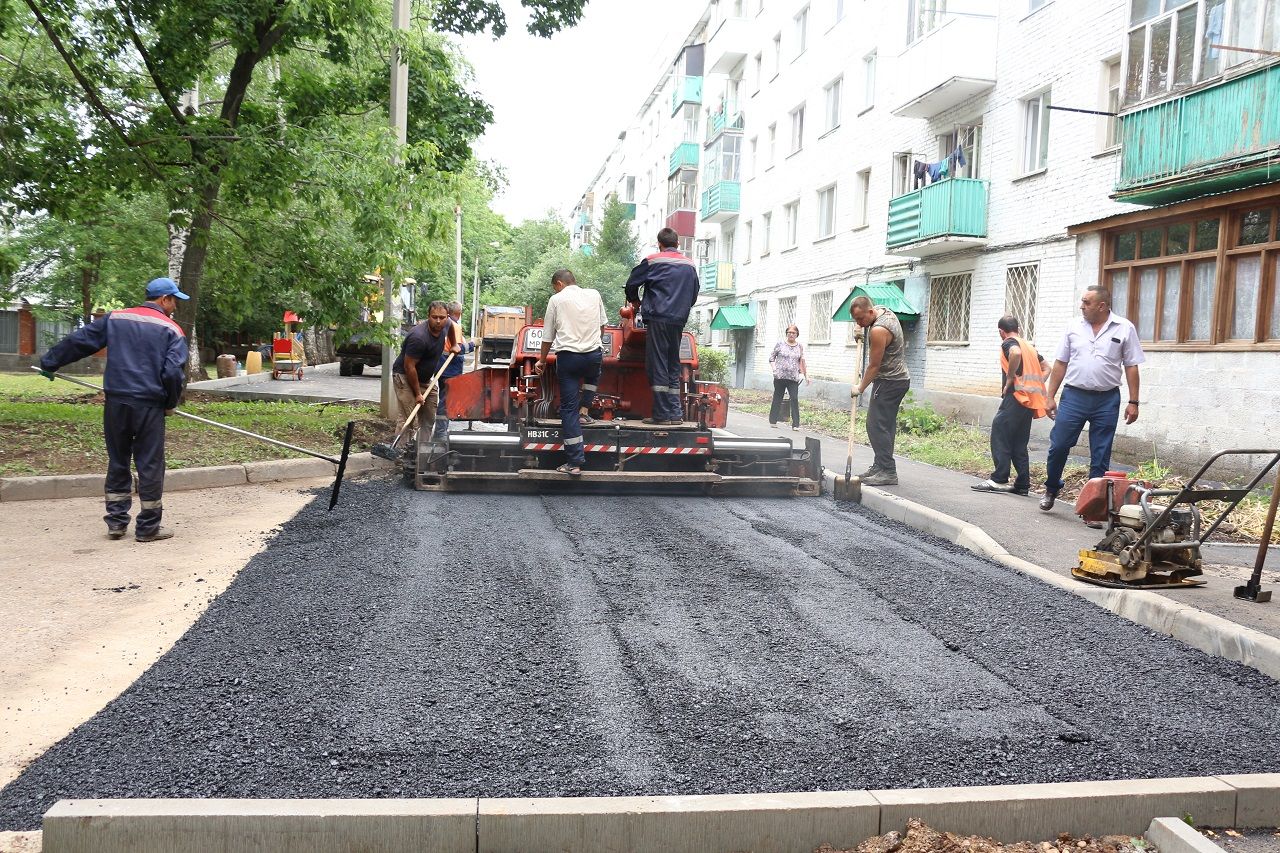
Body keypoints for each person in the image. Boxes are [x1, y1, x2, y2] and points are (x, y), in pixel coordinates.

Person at [38, 277, 189, 542]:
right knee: (150, 464)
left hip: (116, 402)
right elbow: (172, 372)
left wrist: (50, 362)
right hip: (149, 405)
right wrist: (170, 403)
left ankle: (116, 523)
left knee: (118, 460)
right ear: (164, 299)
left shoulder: (115, 319)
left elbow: (79, 341)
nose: (175, 306)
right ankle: (148, 528)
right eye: (174, 300)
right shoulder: (172, 329)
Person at [1040, 284, 1145, 512]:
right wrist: (1050, 396)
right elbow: (1060, 363)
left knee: (1101, 454)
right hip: (1074, 396)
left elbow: (1131, 366)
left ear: (1102, 306)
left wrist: (1134, 401)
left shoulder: (1124, 328)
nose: (1082, 306)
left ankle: (1093, 505)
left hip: (1106, 400)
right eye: (1082, 302)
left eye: (1087, 303)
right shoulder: (1073, 327)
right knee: (1058, 446)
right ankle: (1051, 488)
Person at [534, 269, 608, 476]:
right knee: (593, 375)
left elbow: (548, 335)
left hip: (568, 358)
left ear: (559, 283)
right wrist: (593, 343)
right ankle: (585, 411)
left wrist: (541, 361)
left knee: (568, 409)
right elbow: (603, 327)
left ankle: (574, 462)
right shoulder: (594, 294)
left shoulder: (556, 300)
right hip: (593, 355)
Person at [624, 227, 700, 425]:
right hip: (678, 319)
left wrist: (635, 301)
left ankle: (661, 415)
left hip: (658, 318)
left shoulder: (652, 260)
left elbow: (632, 283)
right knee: (672, 364)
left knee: (657, 364)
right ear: (678, 244)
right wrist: (682, 309)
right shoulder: (689, 264)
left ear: (660, 243)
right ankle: (675, 414)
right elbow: (694, 293)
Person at [971, 315, 1048, 497]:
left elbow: (1015, 354)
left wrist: (1011, 379)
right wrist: (1036, 387)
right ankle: (1022, 485)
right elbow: (1047, 368)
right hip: (1028, 400)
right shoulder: (1029, 346)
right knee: (1019, 443)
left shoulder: (1009, 343)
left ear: (1001, 331)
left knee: (1000, 433)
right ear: (1018, 328)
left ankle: (999, 479)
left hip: (1016, 397)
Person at [849, 296, 911, 487]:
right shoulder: (882, 311)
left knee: (875, 425)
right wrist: (859, 330)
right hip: (899, 379)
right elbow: (866, 321)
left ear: (869, 312)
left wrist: (859, 388)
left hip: (889, 381)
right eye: (855, 320)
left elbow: (874, 366)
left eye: (860, 319)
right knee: (885, 425)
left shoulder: (878, 330)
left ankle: (888, 471)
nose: (859, 323)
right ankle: (880, 466)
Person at [391, 300, 460, 452]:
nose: (438, 321)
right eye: (434, 317)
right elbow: (409, 367)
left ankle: (422, 452)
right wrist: (417, 394)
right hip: (404, 376)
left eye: (441, 317)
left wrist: (454, 344)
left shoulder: (446, 324)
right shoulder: (418, 337)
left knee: (429, 417)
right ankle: (400, 453)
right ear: (428, 316)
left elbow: (450, 328)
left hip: (424, 379)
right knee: (409, 417)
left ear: (447, 316)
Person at [432, 301, 475, 441]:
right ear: (459, 313)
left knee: (444, 400)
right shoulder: (454, 326)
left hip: (442, 368)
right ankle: (440, 432)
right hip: (450, 370)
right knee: (446, 402)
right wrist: (473, 344)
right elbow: (458, 349)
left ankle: (441, 430)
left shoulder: (444, 325)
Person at [768, 324, 808, 431]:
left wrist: (805, 375)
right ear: (786, 334)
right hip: (780, 377)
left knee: (794, 398)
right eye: (789, 332)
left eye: (793, 333)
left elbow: (802, 361)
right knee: (778, 397)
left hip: (793, 378)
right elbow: (771, 358)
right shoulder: (780, 344)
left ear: (797, 335)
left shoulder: (799, 346)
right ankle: (773, 420)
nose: (791, 334)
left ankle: (795, 424)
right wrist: (774, 369)